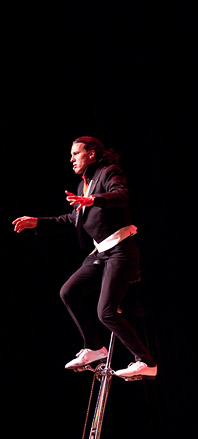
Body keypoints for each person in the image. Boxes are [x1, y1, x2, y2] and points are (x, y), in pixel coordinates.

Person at [12, 137, 157, 379]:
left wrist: (94, 200)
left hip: (121, 250)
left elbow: (121, 195)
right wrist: (37, 222)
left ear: (91, 154)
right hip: (100, 253)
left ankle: (146, 362)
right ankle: (93, 348)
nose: (71, 159)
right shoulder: (83, 186)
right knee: (68, 291)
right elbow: (72, 219)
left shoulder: (108, 172)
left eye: (76, 153)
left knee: (106, 312)